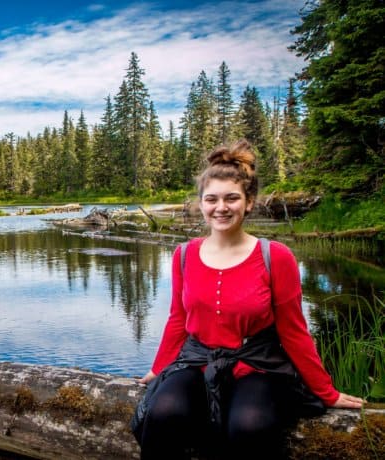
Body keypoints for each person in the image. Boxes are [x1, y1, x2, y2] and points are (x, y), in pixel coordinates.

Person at [136, 139, 365, 459]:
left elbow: (294, 331)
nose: (221, 207)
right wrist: (159, 368)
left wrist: (326, 392)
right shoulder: (184, 255)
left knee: (249, 426)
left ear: (249, 202)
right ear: (200, 204)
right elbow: (178, 319)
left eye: (232, 198)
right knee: (163, 413)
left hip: (257, 364)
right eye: (211, 199)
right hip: (196, 360)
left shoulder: (275, 257)